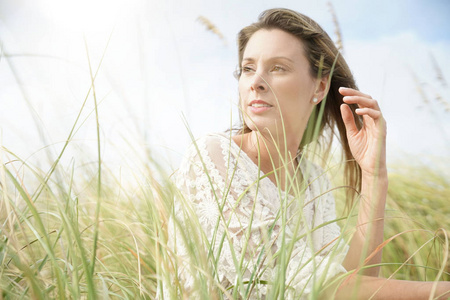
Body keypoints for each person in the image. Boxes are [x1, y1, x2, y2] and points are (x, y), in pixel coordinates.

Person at [162, 8, 450, 299]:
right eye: (248, 68)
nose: (255, 82)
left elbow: (354, 283)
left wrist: (374, 175)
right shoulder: (214, 155)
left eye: (278, 68)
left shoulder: (314, 180)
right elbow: (317, 287)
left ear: (320, 86)